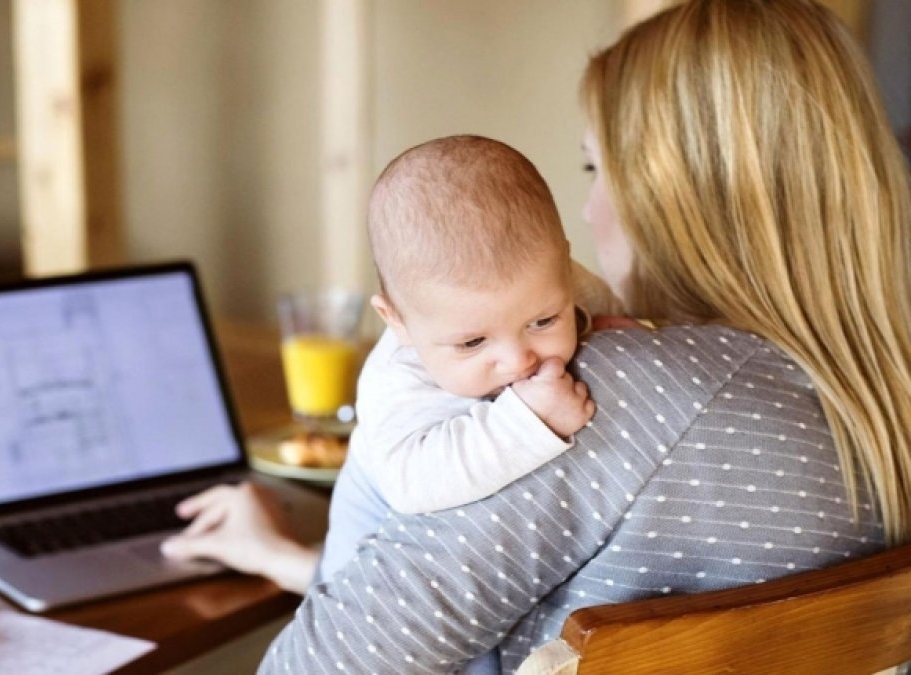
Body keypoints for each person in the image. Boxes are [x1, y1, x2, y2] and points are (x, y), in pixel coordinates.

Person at [174, 0, 911, 671]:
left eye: (596, 167)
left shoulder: (615, 395)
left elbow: (318, 666)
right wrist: (290, 559)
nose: (587, 211)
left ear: (674, 195)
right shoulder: (874, 399)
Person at [355, 135, 623, 516]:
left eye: (543, 321)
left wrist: (627, 327)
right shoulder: (398, 378)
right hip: (371, 527)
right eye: (473, 343)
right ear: (395, 320)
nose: (518, 361)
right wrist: (530, 420)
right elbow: (410, 485)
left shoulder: (549, 280)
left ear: (565, 265)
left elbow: (611, 309)